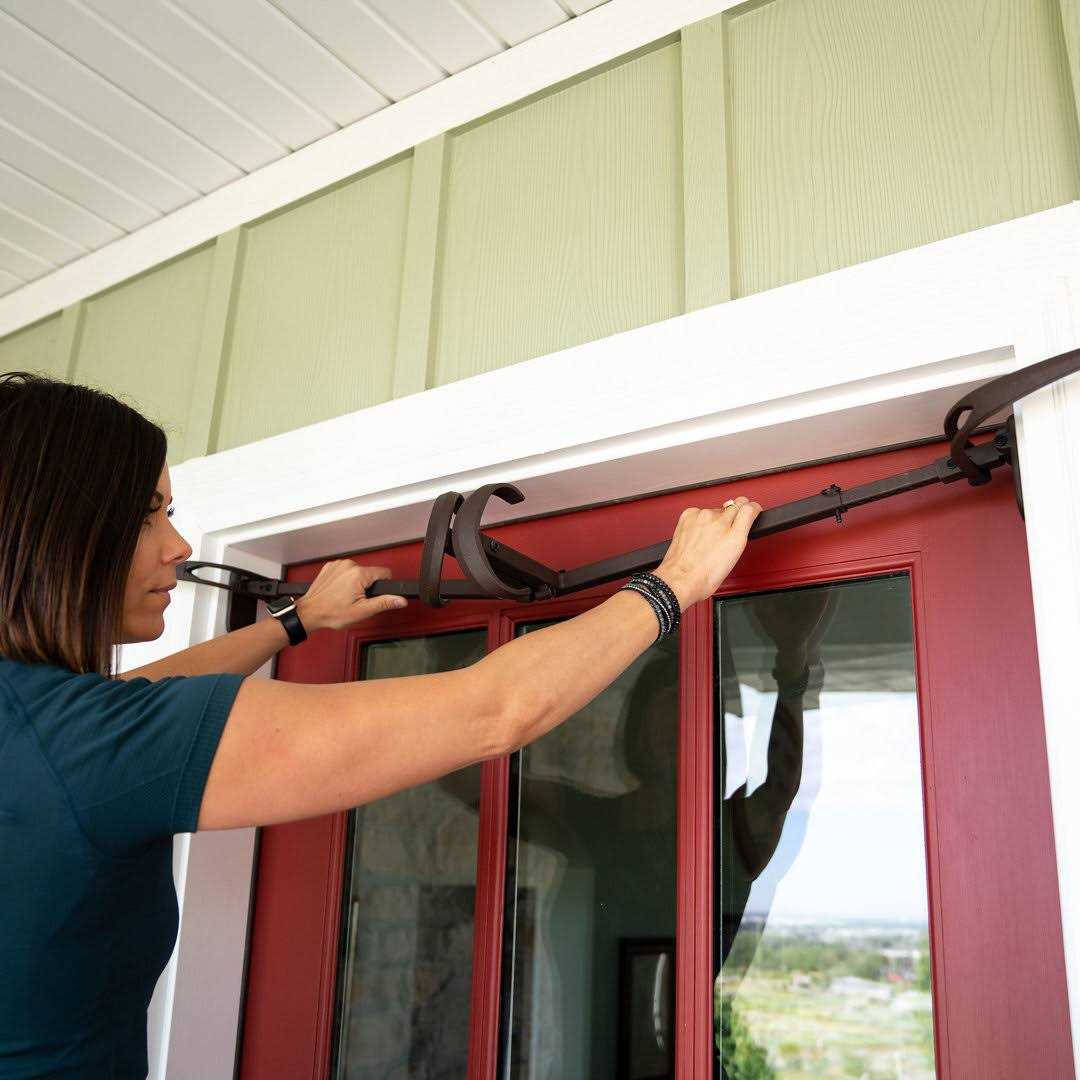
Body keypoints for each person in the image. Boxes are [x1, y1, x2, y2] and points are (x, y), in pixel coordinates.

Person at [0, 371, 761, 1079]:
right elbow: (492, 709)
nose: (179, 547)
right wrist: (675, 583)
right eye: (148, 516)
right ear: (60, 532)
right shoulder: (82, 744)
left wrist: (297, 621)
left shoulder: (37, 723)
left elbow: (140, 696)